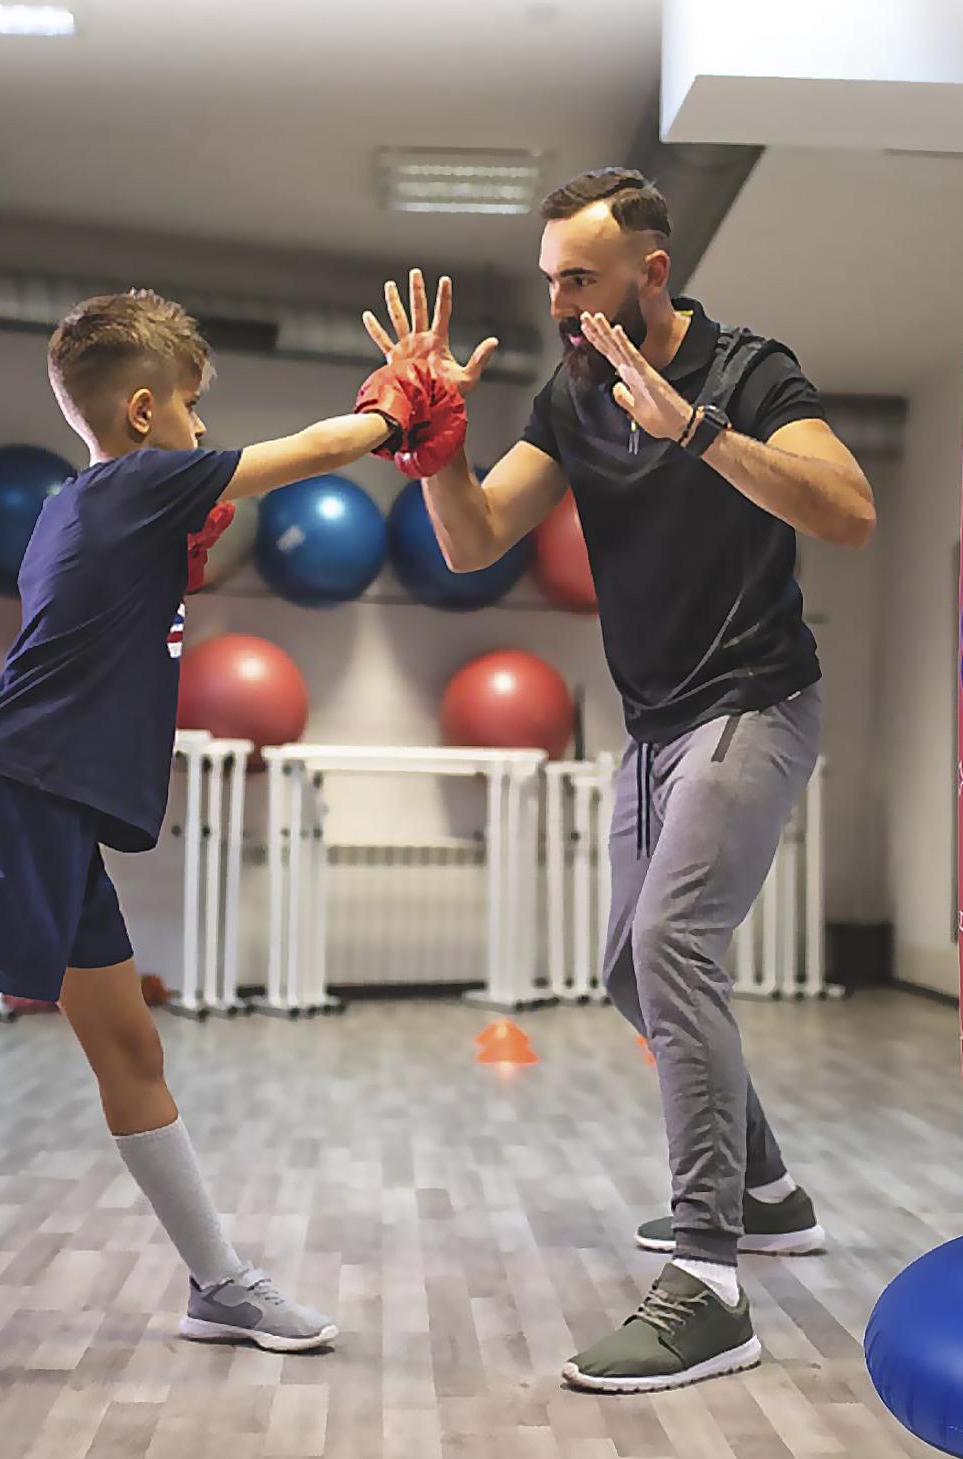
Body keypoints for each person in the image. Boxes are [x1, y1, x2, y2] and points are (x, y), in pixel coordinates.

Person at [0, 289, 458, 1402]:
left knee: (131, 1054)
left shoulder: (81, 504)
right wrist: (398, 413)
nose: (205, 432)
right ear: (147, 413)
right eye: (196, 410)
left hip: (52, 818)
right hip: (12, 807)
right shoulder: (143, 480)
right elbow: (303, 455)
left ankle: (219, 1284)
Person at [363, 168, 875, 1393]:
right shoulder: (572, 391)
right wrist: (440, 449)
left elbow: (850, 511)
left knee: (675, 943)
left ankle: (708, 1285)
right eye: (549, 281)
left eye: (580, 278)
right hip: (654, 725)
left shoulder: (751, 370)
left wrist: (695, 431)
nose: (559, 301)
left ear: (652, 271)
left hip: (756, 697)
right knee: (624, 968)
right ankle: (767, 1192)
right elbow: (476, 538)